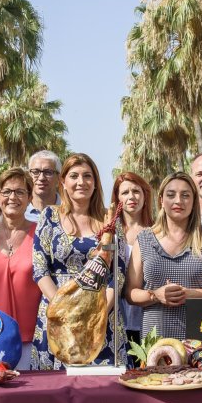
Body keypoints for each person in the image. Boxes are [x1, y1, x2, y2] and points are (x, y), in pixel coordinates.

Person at [31, 153, 124, 369]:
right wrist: (65, 310)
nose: (81, 182)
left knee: (103, 395)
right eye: (74, 176)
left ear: (95, 183)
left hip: (100, 318)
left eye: (87, 176)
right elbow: (39, 268)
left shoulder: (110, 221)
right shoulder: (49, 217)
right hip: (57, 316)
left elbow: (117, 274)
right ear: (63, 181)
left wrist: (96, 312)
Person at [125, 172, 202, 340]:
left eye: (185, 195)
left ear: (194, 201)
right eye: (171, 195)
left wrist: (191, 294)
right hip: (155, 342)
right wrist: (155, 295)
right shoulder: (144, 239)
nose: (178, 201)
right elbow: (130, 292)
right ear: (161, 200)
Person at [0, 168, 41, 370]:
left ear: (30, 198)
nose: (12, 197)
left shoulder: (42, 234)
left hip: (33, 341)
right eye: (6, 192)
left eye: (20, 192)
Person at [111, 171, 153, 350]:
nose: (131, 197)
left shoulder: (156, 231)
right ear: (117, 198)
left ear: (145, 195)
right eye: (125, 192)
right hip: (115, 318)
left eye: (136, 191)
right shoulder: (109, 233)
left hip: (148, 317)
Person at [25, 150, 60, 222]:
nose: (41, 178)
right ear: (28, 175)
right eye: (35, 172)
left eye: (48, 172)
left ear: (59, 178)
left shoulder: (71, 211)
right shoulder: (19, 212)